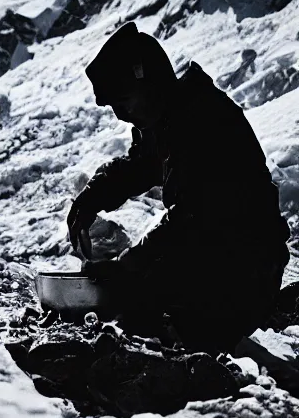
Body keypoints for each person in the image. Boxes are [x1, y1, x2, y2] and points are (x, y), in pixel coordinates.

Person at [68, 22, 291, 353]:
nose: (120, 115)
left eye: (123, 100)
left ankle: (259, 312)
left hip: (245, 265)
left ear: (150, 81)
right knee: (133, 304)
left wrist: (131, 262)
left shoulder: (204, 121)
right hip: (210, 253)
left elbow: (195, 217)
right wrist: (90, 198)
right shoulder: (167, 117)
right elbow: (139, 165)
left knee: (146, 321)